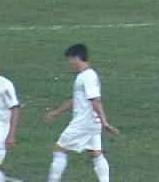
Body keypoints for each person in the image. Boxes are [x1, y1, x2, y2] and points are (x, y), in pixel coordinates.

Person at [44, 44, 119, 182]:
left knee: (59, 149)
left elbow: (95, 101)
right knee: (95, 153)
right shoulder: (84, 76)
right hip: (92, 123)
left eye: (70, 60)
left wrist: (105, 122)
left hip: (84, 122)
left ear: (77, 57)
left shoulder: (88, 76)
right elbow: (76, 100)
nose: (69, 64)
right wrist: (56, 112)